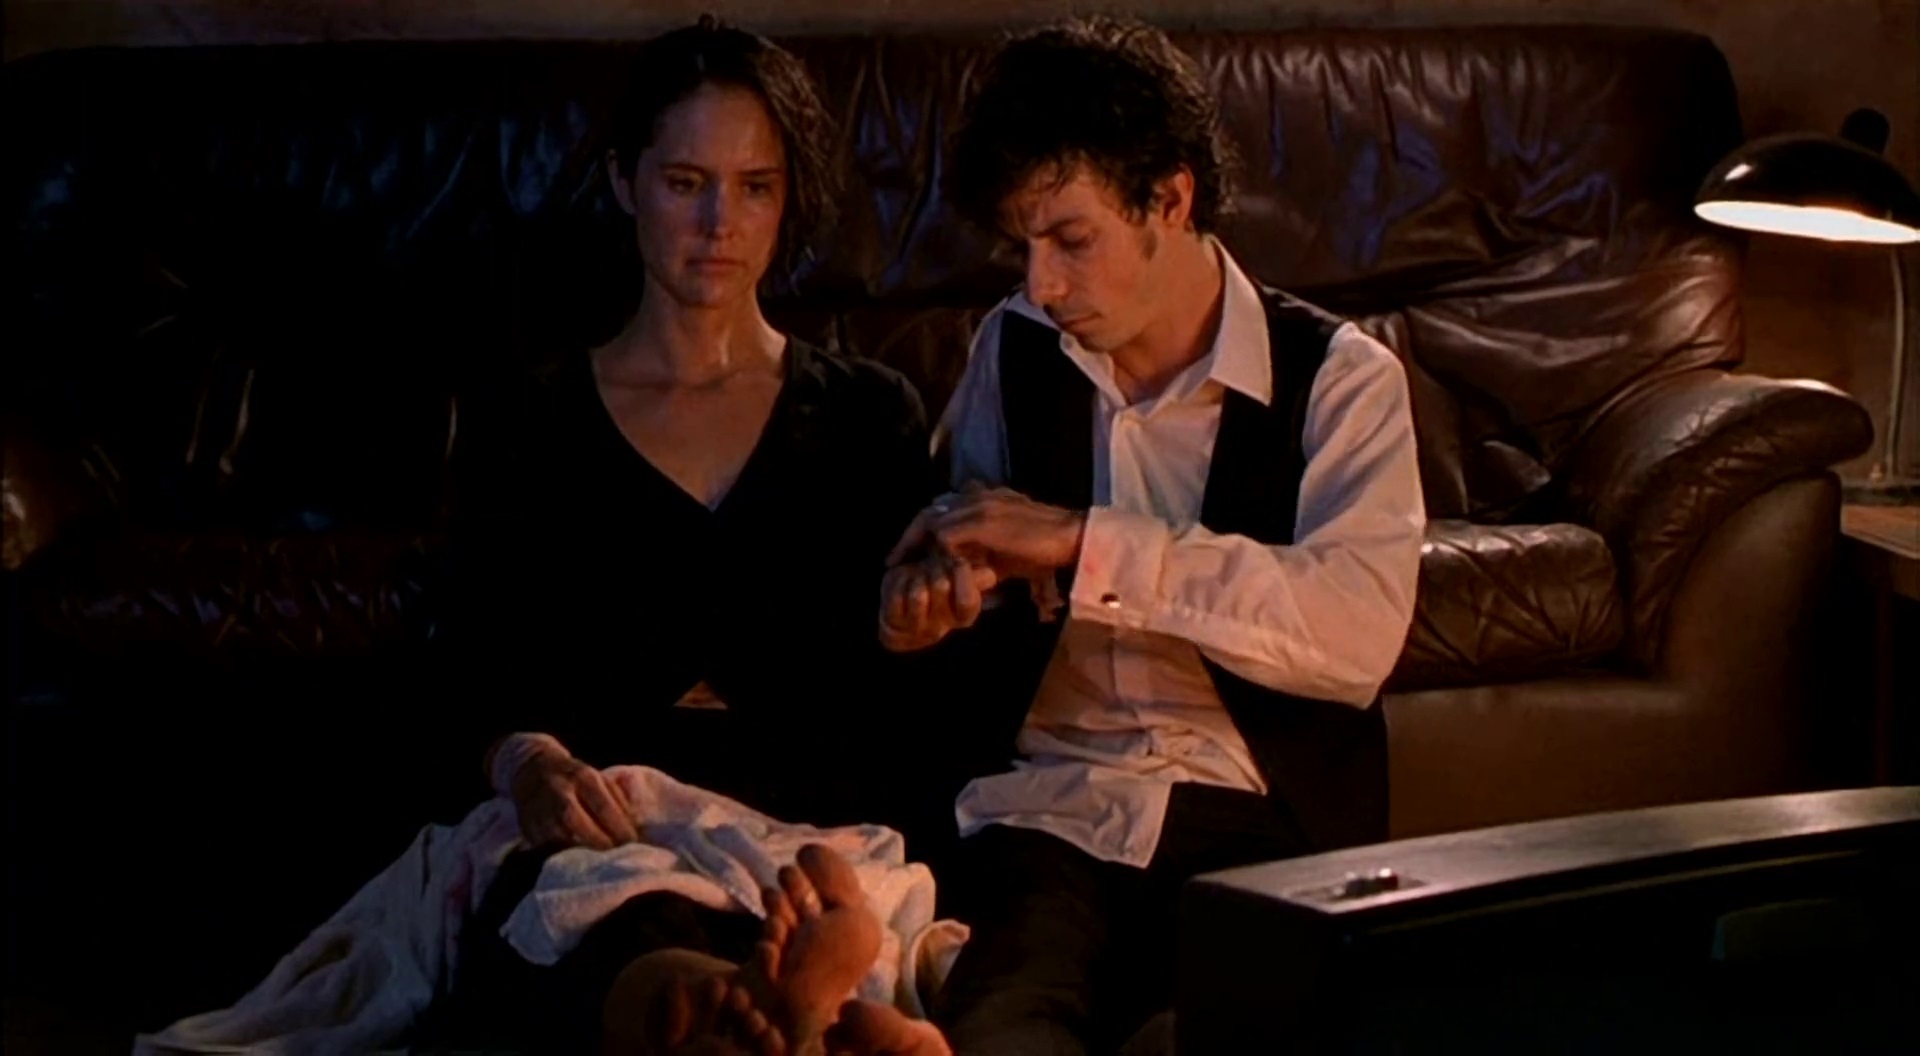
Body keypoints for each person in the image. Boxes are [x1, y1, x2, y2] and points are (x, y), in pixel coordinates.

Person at [878, 17, 1427, 1055]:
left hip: (1258, 821)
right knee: (999, 1033)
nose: (1041, 284)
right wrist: (935, 599)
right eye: (1023, 247)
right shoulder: (1012, 346)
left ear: (1170, 200)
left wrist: (1089, 544)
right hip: (1049, 812)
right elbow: (966, 554)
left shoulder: (1344, 381)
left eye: (1071, 240)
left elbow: (1358, 633)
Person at [434, 18, 937, 1053]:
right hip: (611, 814)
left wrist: (929, 619)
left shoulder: (870, 414)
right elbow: (468, 658)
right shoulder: (529, 416)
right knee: (593, 923)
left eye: (755, 187)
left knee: (769, 908)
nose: (720, 223)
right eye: (685, 184)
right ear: (625, 181)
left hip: (804, 813)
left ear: (789, 199)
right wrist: (529, 764)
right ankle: (795, 1014)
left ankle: (774, 997)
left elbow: (912, 688)